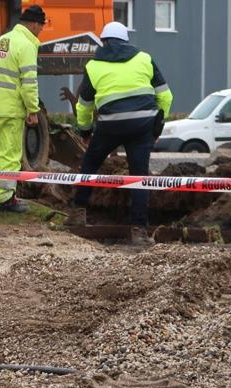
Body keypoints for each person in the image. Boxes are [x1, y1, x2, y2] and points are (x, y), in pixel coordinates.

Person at [69, 21, 172, 244]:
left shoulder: (93, 66)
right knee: (139, 176)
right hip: (142, 125)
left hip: (110, 126)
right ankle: (139, 232)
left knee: (89, 166)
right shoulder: (144, 58)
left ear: (103, 41)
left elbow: (84, 105)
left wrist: (85, 132)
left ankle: (77, 215)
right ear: (126, 41)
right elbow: (166, 96)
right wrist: (157, 127)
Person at [0, 4, 46, 213]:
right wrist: (33, 110)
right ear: (35, 24)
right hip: (10, 109)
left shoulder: (3, 40)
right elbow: (29, 82)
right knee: (11, 155)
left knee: (1, 154)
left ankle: (4, 195)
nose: (41, 31)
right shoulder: (26, 45)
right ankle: (6, 200)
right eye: (41, 26)